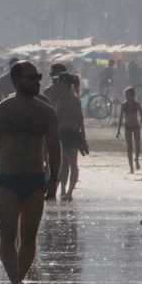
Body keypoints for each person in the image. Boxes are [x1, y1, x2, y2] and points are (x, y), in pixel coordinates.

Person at [0, 61, 61, 284]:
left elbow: (54, 147)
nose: (36, 81)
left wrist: (54, 178)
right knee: (8, 235)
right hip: (7, 181)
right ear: (16, 81)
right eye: (30, 77)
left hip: (34, 181)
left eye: (38, 77)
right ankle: (15, 282)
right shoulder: (0, 111)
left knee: (29, 237)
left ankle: (17, 282)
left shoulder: (46, 111)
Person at [55, 73, 86, 201]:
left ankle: (64, 190)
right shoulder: (75, 99)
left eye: (60, 82)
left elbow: (58, 117)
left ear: (65, 84)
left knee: (64, 163)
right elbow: (80, 119)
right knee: (73, 164)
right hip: (73, 132)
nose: (58, 85)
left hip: (63, 132)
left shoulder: (62, 99)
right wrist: (83, 136)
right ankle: (69, 192)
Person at [117, 86, 142, 173]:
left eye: (129, 95)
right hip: (127, 126)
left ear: (133, 95)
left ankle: (137, 159)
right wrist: (118, 130)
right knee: (129, 147)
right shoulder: (124, 105)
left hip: (135, 126)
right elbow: (121, 117)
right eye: (126, 95)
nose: (127, 97)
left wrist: (140, 124)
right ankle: (131, 167)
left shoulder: (137, 104)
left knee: (137, 144)